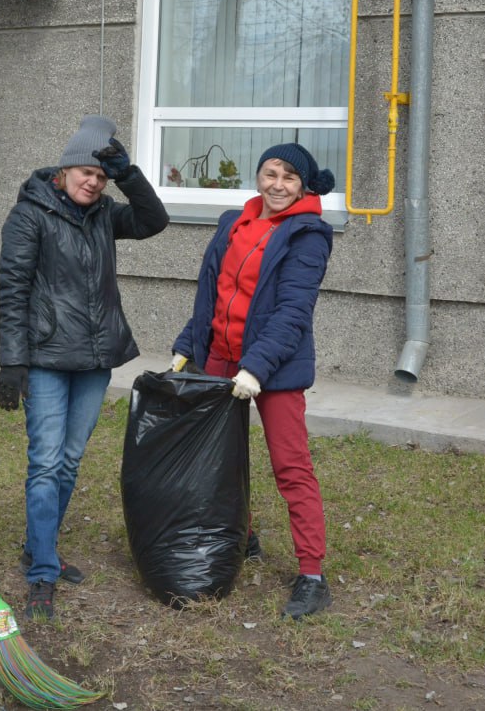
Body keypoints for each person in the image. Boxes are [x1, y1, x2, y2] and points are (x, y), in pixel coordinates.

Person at [0, 114, 169, 619]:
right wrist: (12, 361)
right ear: (65, 168)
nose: (93, 181)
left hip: (96, 357)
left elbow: (154, 221)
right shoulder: (30, 215)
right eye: (85, 171)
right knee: (46, 462)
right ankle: (43, 572)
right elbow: (12, 290)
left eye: (101, 175)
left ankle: (38, 545)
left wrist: (129, 174)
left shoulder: (106, 215)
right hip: (47, 356)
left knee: (68, 461)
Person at [170, 142, 335, 620]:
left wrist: (257, 368)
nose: (277, 185)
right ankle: (241, 538)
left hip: (275, 369)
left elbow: (292, 313)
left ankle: (311, 575)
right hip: (220, 357)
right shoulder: (233, 222)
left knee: (291, 466)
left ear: (302, 186)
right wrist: (188, 342)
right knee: (219, 461)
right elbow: (212, 292)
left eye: (288, 177)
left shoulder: (307, 235)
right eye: (270, 173)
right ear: (258, 176)